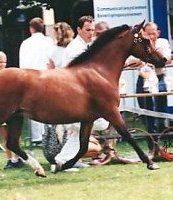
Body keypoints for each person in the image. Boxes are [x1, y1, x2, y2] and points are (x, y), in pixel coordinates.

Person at [52, 16, 109, 170]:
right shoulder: (76, 49)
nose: (91, 33)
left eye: (92, 30)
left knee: (86, 127)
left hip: (79, 97)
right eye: (87, 30)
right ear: (78, 30)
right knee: (100, 123)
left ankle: (65, 159)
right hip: (73, 97)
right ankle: (64, 159)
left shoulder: (85, 46)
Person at [126, 22, 171, 153]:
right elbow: (131, 61)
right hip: (144, 80)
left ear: (158, 32)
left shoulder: (163, 42)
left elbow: (166, 57)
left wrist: (151, 59)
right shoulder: (138, 44)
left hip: (159, 79)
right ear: (143, 33)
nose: (151, 36)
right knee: (147, 115)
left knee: (161, 114)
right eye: (148, 33)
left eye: (154, 33)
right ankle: (152, 148)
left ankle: (164, 148)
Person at [19, 17, 54, 144]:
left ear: (31, 28)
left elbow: (22, 63)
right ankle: (49, 133)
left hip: (30, 77)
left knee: (32, 106)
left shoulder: (26, 43)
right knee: (49, 105)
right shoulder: (49, 42)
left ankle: (36, 137)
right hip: (47, 76)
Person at [0, 51, 24, 169]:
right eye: (0, 62)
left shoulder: (9, 74)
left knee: (16, 135)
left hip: (13, 109)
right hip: (0, 110)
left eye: (5, 62)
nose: (3, 65)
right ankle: (9, 159)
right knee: (5, 136)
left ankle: (18, 158)